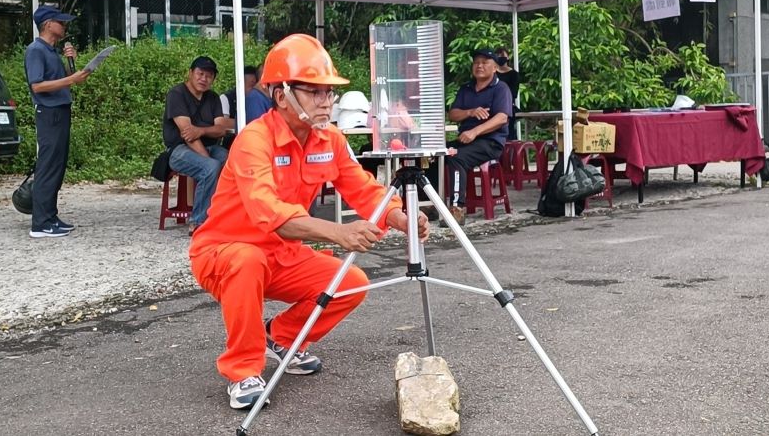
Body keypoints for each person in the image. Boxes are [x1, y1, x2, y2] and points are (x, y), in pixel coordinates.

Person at [188, 34, 429, 410]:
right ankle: (242, 370)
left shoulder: (329, 139)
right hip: (222, 252)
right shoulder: (254, 140)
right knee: (246, 260)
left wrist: (400, 215)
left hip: (282, 254)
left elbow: (361, 187)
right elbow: (268, 213)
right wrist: (337, 232)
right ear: (281, 95)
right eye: (315, 91)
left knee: (351, 283)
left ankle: (281, 337)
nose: (326, 101)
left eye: (329, 93)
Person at [24, 5, 91, 238]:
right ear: (48, 24)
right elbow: (38, 85)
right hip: (48, 112)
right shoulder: (36, 50)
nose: (64, 26)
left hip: (61, 110)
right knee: (48, 166)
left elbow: (61, 81)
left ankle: (50, 216)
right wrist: (71, 79)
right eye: (60, 22)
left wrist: (71, 65)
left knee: (58, 165)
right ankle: (40, 223)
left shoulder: (52, 51)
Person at [428, 48, 512, 224]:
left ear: (495, 67)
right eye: (476, 62)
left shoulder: (501, 88)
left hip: (490, 142)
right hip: (465, 139)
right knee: (434, 155)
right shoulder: (466, 89)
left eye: (485, 62)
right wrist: (470, 112)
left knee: (457, 158)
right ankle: (431, 205)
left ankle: (457, 208)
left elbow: (502, 118)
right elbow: (453, 114)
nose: (479, 66)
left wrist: (475, 131)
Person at [163, 56, 230, 235]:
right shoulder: (176, 94)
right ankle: (198, 222)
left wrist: (201, 131)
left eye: (209, 76)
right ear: (190, 73)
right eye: (200, 74)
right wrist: (207, 160)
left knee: (232, 161)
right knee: (210, 167)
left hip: (209, 146)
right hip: (179, 150)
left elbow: (221, 129)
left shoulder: (213, 97)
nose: (204, 79)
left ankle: (223, 215)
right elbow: (187, 135)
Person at [495, 47, 520, 140]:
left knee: (509, 133)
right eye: (497, 56)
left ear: (508, 57)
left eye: (502, 56)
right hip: (493, 107)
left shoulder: (514, 74)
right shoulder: (492, 73)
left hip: (507, 107)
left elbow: (514, 93)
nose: (500, 58)